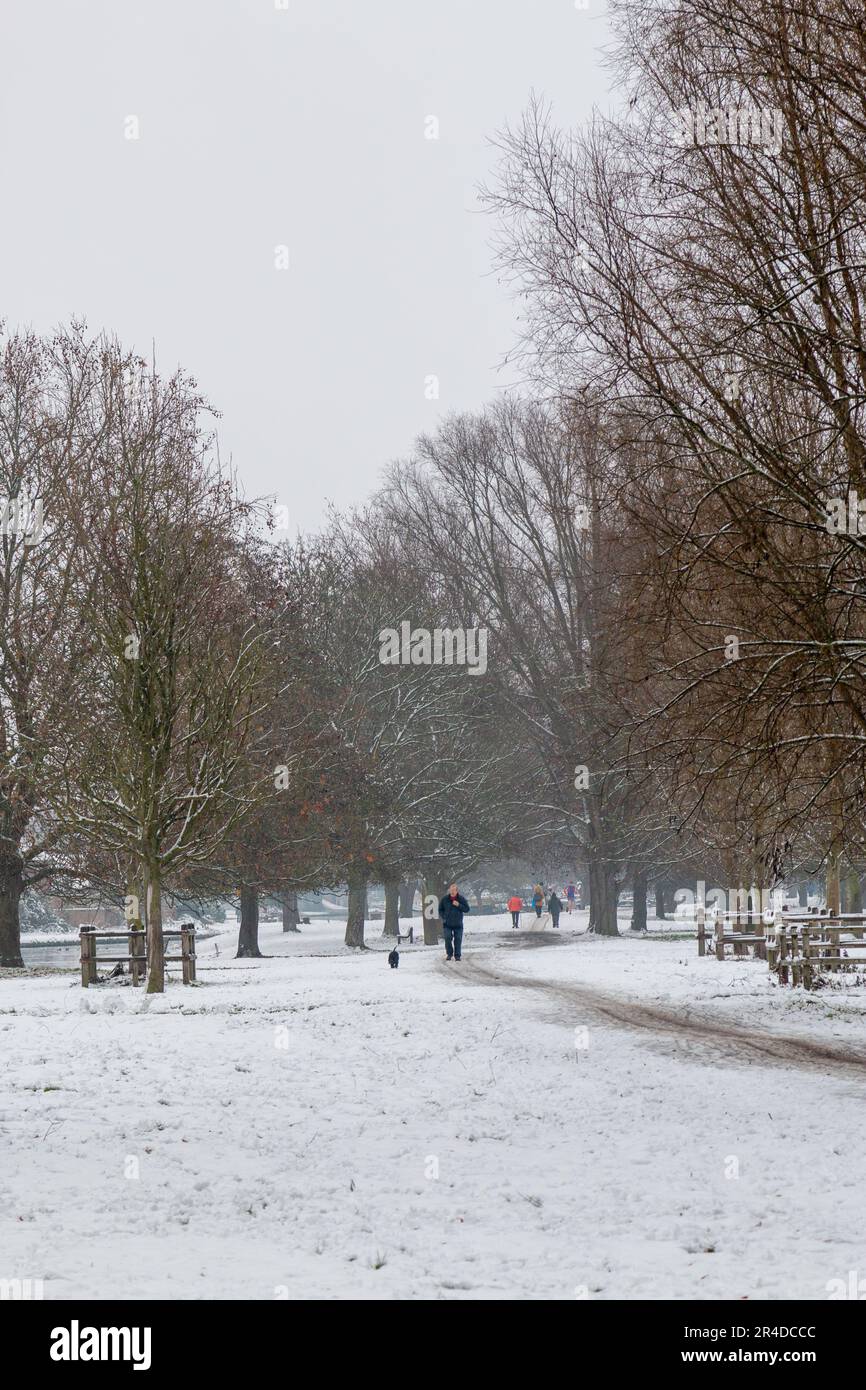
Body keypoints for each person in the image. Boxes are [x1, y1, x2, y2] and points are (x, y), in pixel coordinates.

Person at [439, 883, 470, 961]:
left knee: (458, 939)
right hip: (447, 924)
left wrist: (459, 905)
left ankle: (457, 956)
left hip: (458, 924)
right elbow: (440, 909)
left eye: (453, 890)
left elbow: (467, 909)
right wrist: (444, 916)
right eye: (450, 890)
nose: (452, 892)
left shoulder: (461, 899)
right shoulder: (445, 899)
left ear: (457, 891)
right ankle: (449, 954)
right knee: (447, 938)